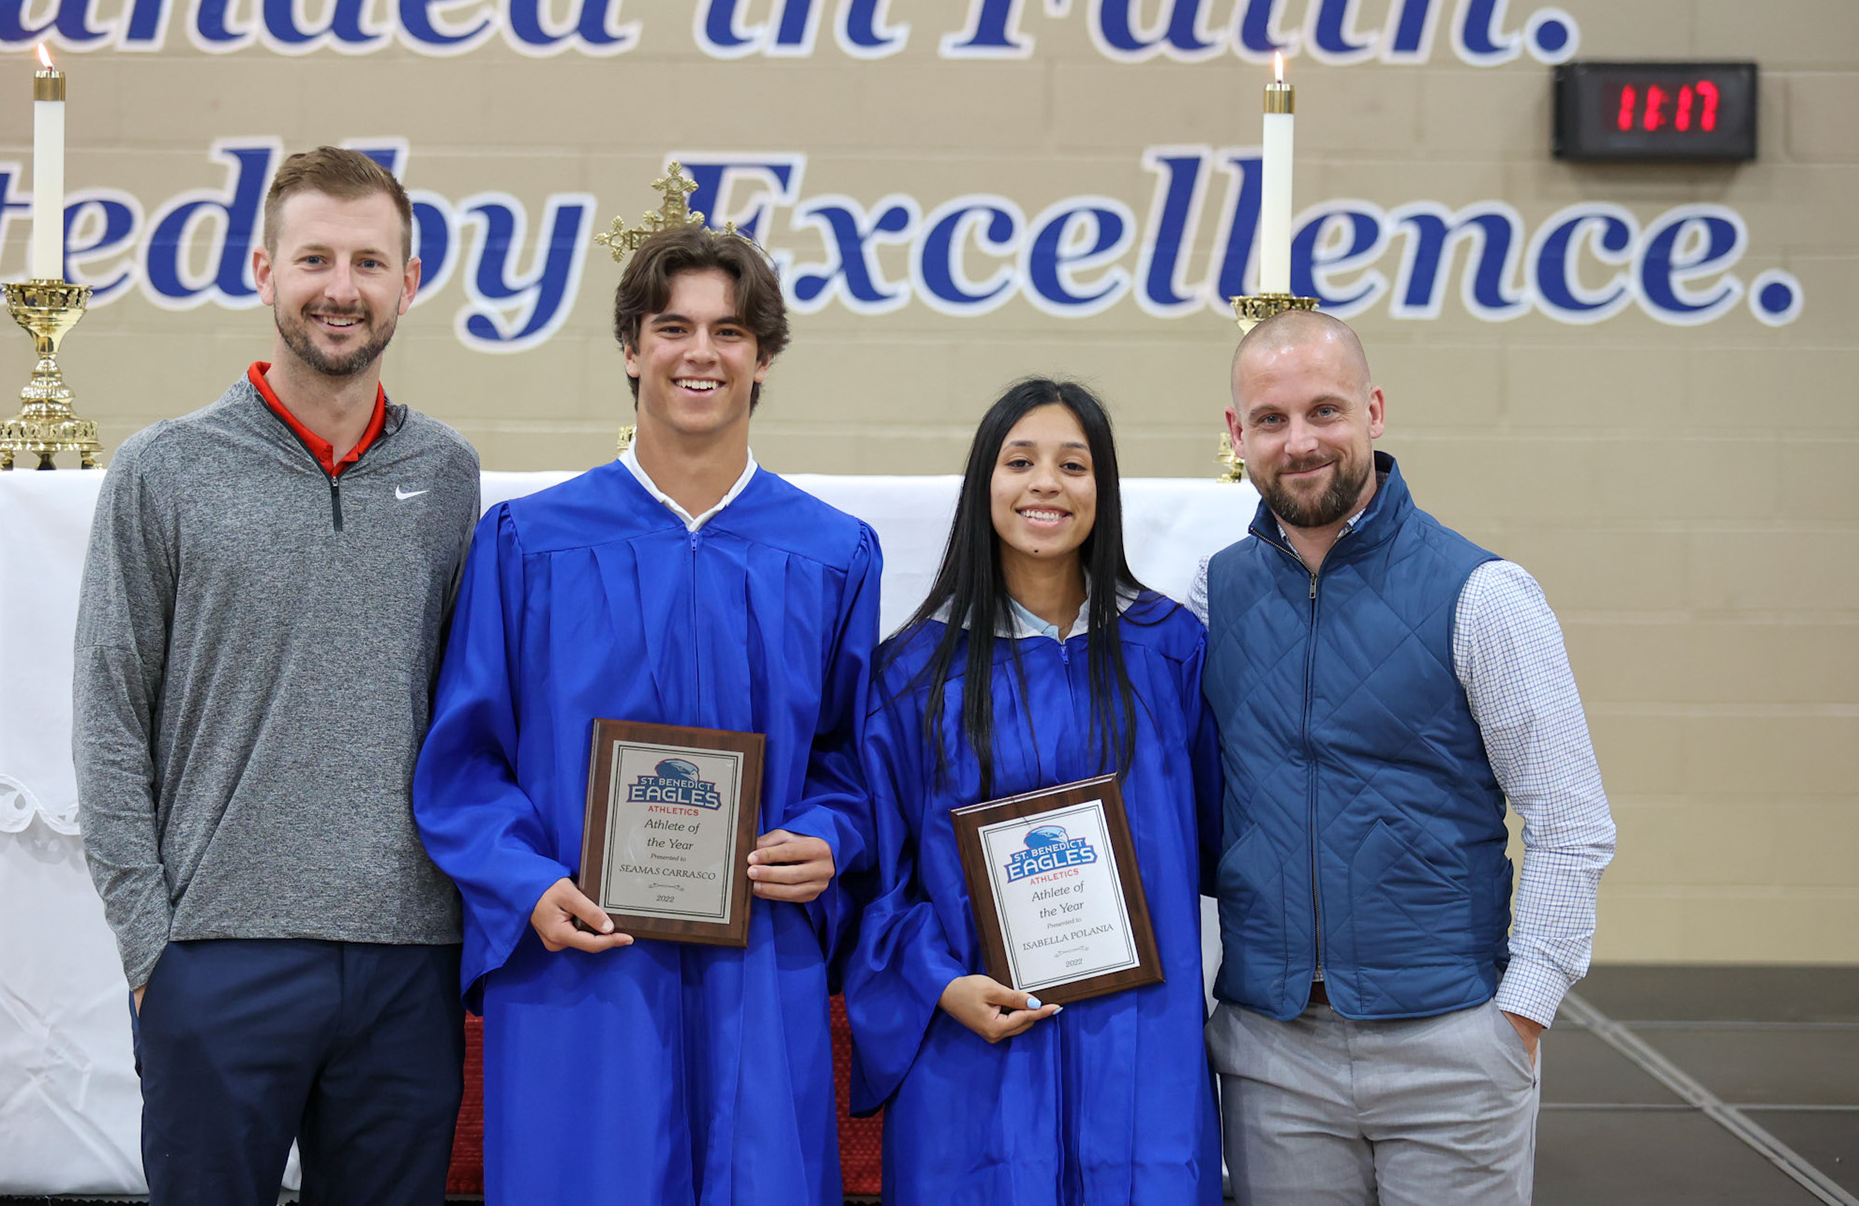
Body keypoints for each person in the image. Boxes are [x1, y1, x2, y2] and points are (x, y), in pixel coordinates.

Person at [411, 225, 881, 1204]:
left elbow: (853, 755)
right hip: (583, 965)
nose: (700, 352)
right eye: (674, 327)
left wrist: (831, 836)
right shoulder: (530, 543)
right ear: (631, 347)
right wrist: (528, 883)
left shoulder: (832, 553)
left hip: (759, 957)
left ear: (762, 357)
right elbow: (461, 762)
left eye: (730, 330)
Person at [71, 146, 481, 1204]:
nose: (340, 288)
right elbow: (110, 712)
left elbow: (467, 709)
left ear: (409, 281)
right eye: (313, 259)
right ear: (263, 270)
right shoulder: (163, 468)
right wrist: (150, 947)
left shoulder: (446, 475)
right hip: (216, 954)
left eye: (368, 261)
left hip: (406, 956)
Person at [1192, 310, 1617, 1204]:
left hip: (1454, 1047)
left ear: (1374, 410)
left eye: (1325, 410)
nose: (1300, 441)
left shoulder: (1485, 594)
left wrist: (1521, 1016)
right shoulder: (1210, 595)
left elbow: (1571, 823)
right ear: (1237, 436)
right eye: (1270, 419)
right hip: (1271, 1056)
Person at [846, 378, 1223, 1206]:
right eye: (1020, 462)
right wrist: (941, 983)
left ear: (1104, 490)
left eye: (1073, 465)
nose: (1045, 484)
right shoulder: (912, 673)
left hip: (1141, 1046)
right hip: (978, 1046)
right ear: (986, 485)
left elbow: (1218, 841)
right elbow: (877, 875)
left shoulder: (1170, 652)